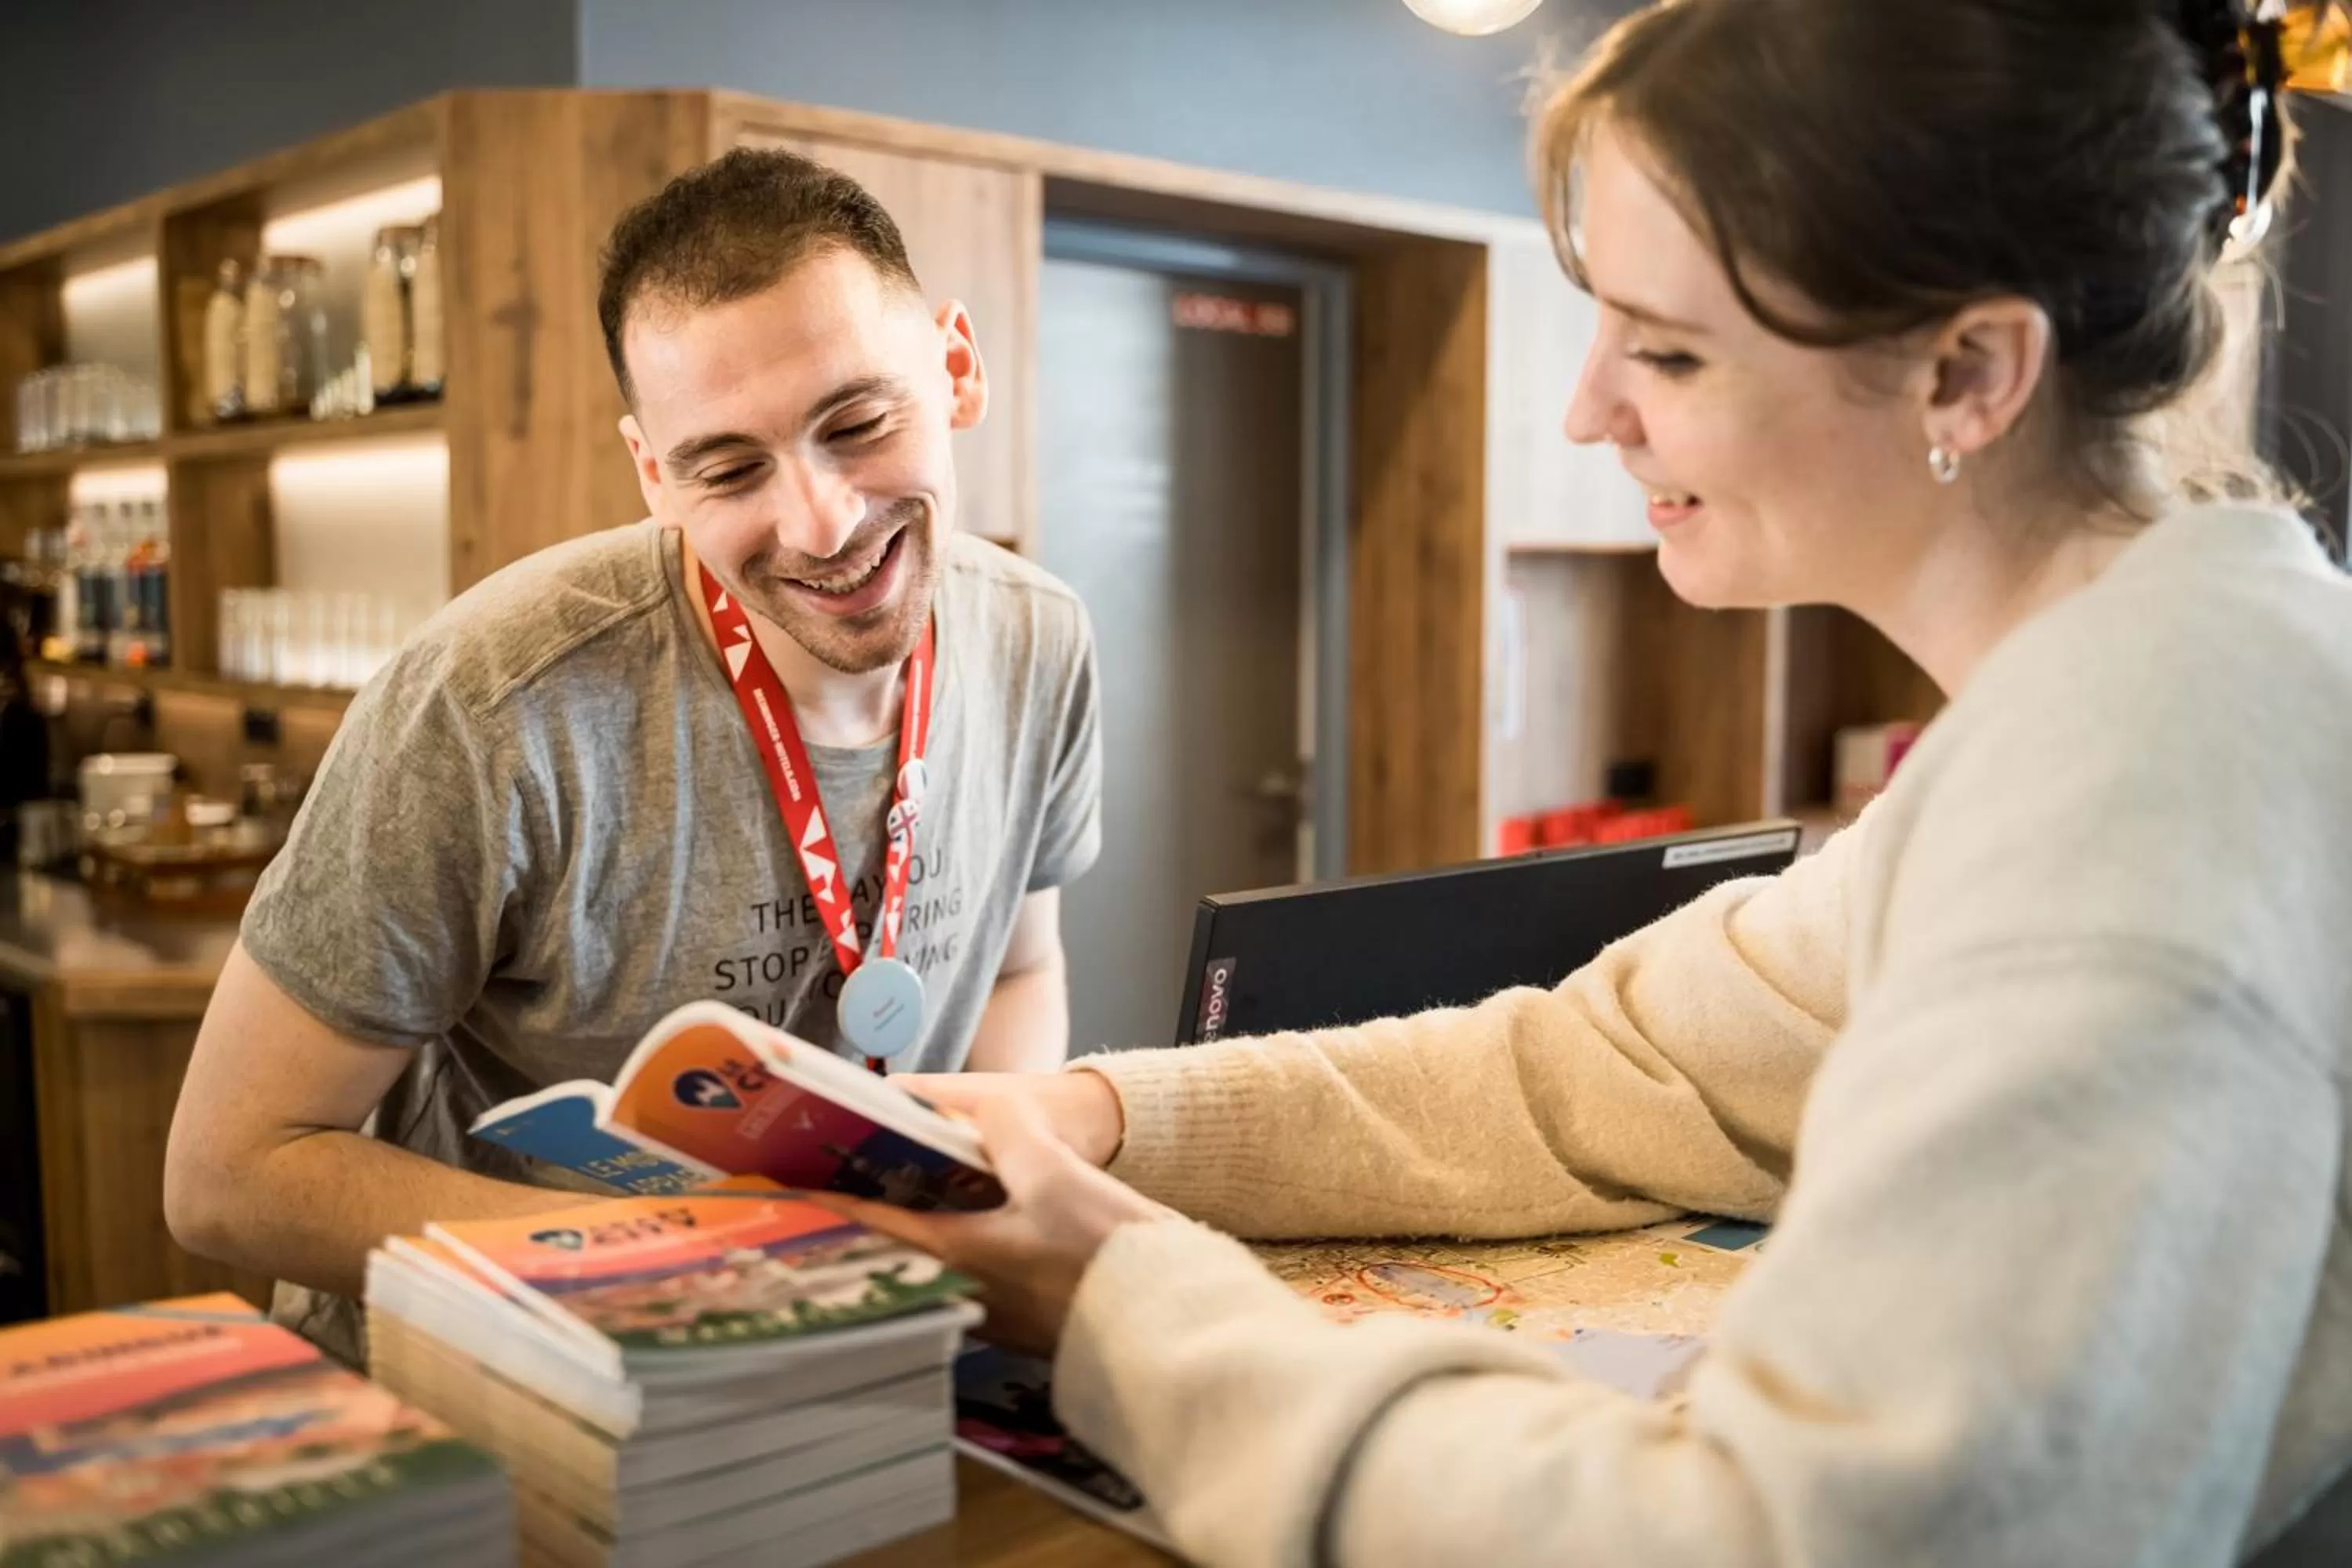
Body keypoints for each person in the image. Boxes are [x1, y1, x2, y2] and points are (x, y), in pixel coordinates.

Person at [829, 2, 2352, 1563]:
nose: (1587, 409)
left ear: (1967, 372)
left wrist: (1115, 1299)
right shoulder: (2118, 701)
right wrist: (1094, 1119)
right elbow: (1601, 1074)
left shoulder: (2131, 826)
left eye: (1671, 350)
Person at [165, 149, 1103, 1365]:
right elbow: (229, 1178)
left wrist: (986, 1183)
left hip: (856, 1356)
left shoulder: (1041, 639)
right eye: (729, 469)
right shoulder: (493, 704)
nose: (820, 522)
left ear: (957, 369)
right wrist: (689, 1267)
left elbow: (1019, 973)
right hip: (498, 1382)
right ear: (654, 475)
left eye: (859, 422)